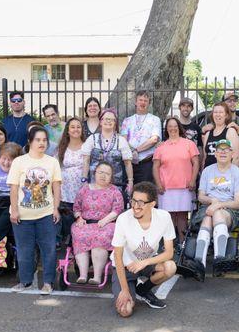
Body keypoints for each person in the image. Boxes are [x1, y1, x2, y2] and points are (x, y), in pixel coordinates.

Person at [7, 126, 62, 295]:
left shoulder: (52, 162)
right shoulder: (19, 162)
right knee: (24, 250)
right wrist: (14, 210)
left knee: (49, 249)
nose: (42, 143)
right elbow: (14, 189)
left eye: (44, 140)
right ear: (30, 141)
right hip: (23, 215)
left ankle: (48, 282)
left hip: (45, 214)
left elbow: (56, 187)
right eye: (38, 140)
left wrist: (56, 209)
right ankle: (25, 282)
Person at [112, 182, 177, 316]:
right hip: (125, 267)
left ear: (152, 204)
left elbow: (169, 253)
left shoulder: (164, 217)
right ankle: (129, 288)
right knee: (125, 311)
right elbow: (118, 257)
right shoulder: (123, 219)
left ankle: (143, 290)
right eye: (133, 201)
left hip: (146, 263)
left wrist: (144, 262)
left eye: (141, 203)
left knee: (170, 267)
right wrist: (124, 290)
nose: (135, 206)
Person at [194, 139, 239, 269]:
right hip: (207, 208)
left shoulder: (238, 173)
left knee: (216, 214)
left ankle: (219, 257)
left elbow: (238, 202)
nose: (223, 152)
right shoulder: (207, 171)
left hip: (231, 211)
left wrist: (218, 205)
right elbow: (201, 196)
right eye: (220, 150)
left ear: (232, 153)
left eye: (226, 150)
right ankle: (199, 262)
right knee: (208, 218)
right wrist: (212, 201)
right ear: (215, 154)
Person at [72, 162, 124, 284]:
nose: (103, 175)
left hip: (107, 223)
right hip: (86, 223)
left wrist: (105, 220)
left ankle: (97, 277)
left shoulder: (114, 191)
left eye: (107, 173)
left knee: (100, 237)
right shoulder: (84, 189)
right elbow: (76, 207)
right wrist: (79, 218)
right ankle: (83, 275)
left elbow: (117, 209)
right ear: (94, 173)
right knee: (79, 233)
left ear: (111, 177)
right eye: (100, 172)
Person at [153, 117, 200, 242]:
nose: (172, 128)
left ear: (179, 127)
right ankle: (170, 244)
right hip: (166, 188)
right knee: (168, 216)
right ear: (166, 129)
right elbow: (155, 167)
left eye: (175, 126)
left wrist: (193, 180)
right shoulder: (161, 147)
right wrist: (158, 184)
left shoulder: (189, 144)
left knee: (182, 216)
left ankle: (182, 243)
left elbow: (196, 163)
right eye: (170, 126)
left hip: (185, 186)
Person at [82, 109, 133, 200]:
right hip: (94, 184)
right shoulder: (92, 139)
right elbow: (86, 161)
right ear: (100, 121)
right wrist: (84, 179)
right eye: (106, 119)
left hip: (115, 184)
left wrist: (130, 181)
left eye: (111, 119)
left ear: (115, 123)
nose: (108, 121)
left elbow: (128, 164)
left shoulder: (121, 140)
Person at [120, 90, 161, 184]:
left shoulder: (155, 120)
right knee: (129, 192)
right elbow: (123, 141)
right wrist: (132, 152)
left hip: (147, 164)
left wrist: (136, 150)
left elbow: (154, 139)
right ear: (135, 102)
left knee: (145, 192)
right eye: (140, 100)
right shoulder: (127, 121)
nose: (143, 103)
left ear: (149, 103)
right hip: (129, 163)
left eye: (145, 101)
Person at [56, 117, 86, 245]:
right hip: (65, 190)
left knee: (81, 218)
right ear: (67, 130)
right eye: (72, 127)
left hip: (82, 189)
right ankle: (69, 246)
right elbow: (55, 166)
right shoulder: (62, 147)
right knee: (68, 218)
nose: (75, 129)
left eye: (78, 127)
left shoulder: (87, 146)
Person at [202, 102, 239, 169]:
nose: (218, 115)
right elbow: (205, 157)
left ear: (226, 115)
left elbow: (236, 157)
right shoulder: (208, 134)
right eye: (215, 112)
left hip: (225, 175)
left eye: (221, 112)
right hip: (209, 174)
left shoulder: (230, 131)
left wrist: (232, 175)